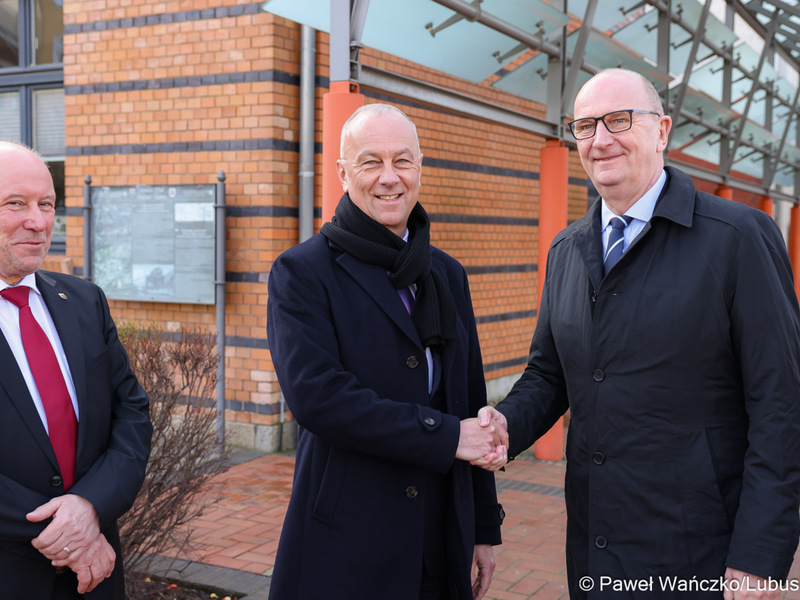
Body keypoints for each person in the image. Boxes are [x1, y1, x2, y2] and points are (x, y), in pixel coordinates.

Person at [474, 68, 800, 598]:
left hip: (702, 555)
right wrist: (505, 424)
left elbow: (782, 404)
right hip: (595, 543)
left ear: (662, 130)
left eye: (618, 120)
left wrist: (760, 556)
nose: (600, 139)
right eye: (585, 126)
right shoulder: (567, 250)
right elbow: (550, 374)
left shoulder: (737, 239)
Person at [267, 103, 505, 600]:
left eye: (403, 161)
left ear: (420, 168)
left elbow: (470, 400)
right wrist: (443, 437)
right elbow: (318, 398)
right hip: (350, 538)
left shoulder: (447, 273)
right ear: (342, 173)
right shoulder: (303, 272)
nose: (389, 178)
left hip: (440, 532)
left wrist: (483, 526)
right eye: (371, 161)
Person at [0, 141, 152, 598]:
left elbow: (132, 414)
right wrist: (69, 535)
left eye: (46, 204)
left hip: (96, 575)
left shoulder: (85, 300)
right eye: (15, 204)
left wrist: (90, 506)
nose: (38, 221)